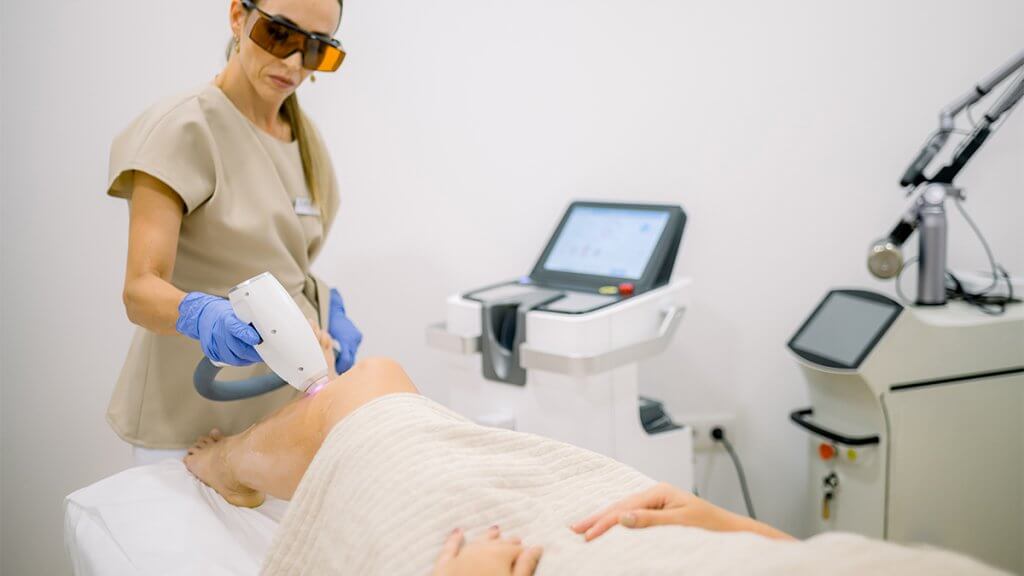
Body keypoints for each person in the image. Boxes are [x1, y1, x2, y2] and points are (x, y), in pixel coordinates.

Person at [183, 332, 792, 576]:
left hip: (502, 555)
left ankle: (229, 463)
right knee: (376, 382)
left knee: (372, 385)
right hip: (666, 536)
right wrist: (736, 526)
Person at [106, 0, 361, 464]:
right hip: (191, 417)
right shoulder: (183, 128)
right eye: (280, 35)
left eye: (314, 49)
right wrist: (204, 315)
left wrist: (327, 304)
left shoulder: (305, 140)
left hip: (283, 417)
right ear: (238, 17)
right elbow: (140, 291)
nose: (293, 63)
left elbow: (281, 256)